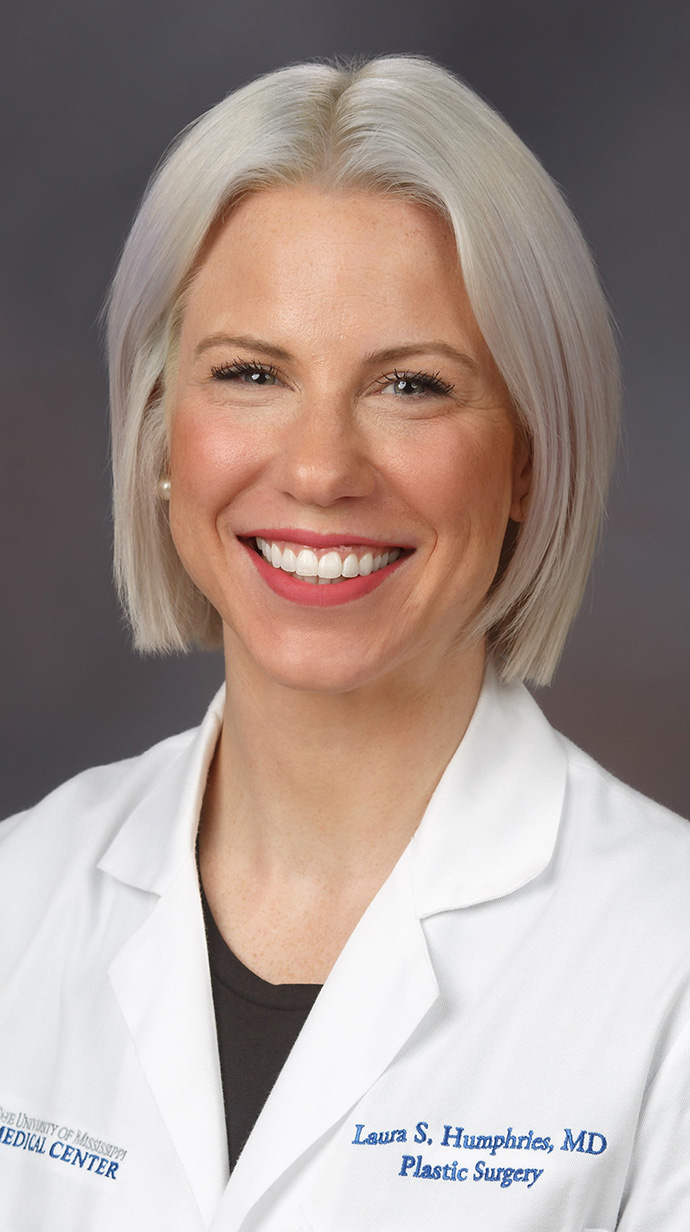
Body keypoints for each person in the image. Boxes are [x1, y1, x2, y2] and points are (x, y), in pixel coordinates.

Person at [0, 54, 688, 1232]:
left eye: (412, 385)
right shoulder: (22, 894)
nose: (319, 469)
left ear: (529, 455)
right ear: (162, 429)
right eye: (251, 372)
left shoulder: (665, 959)